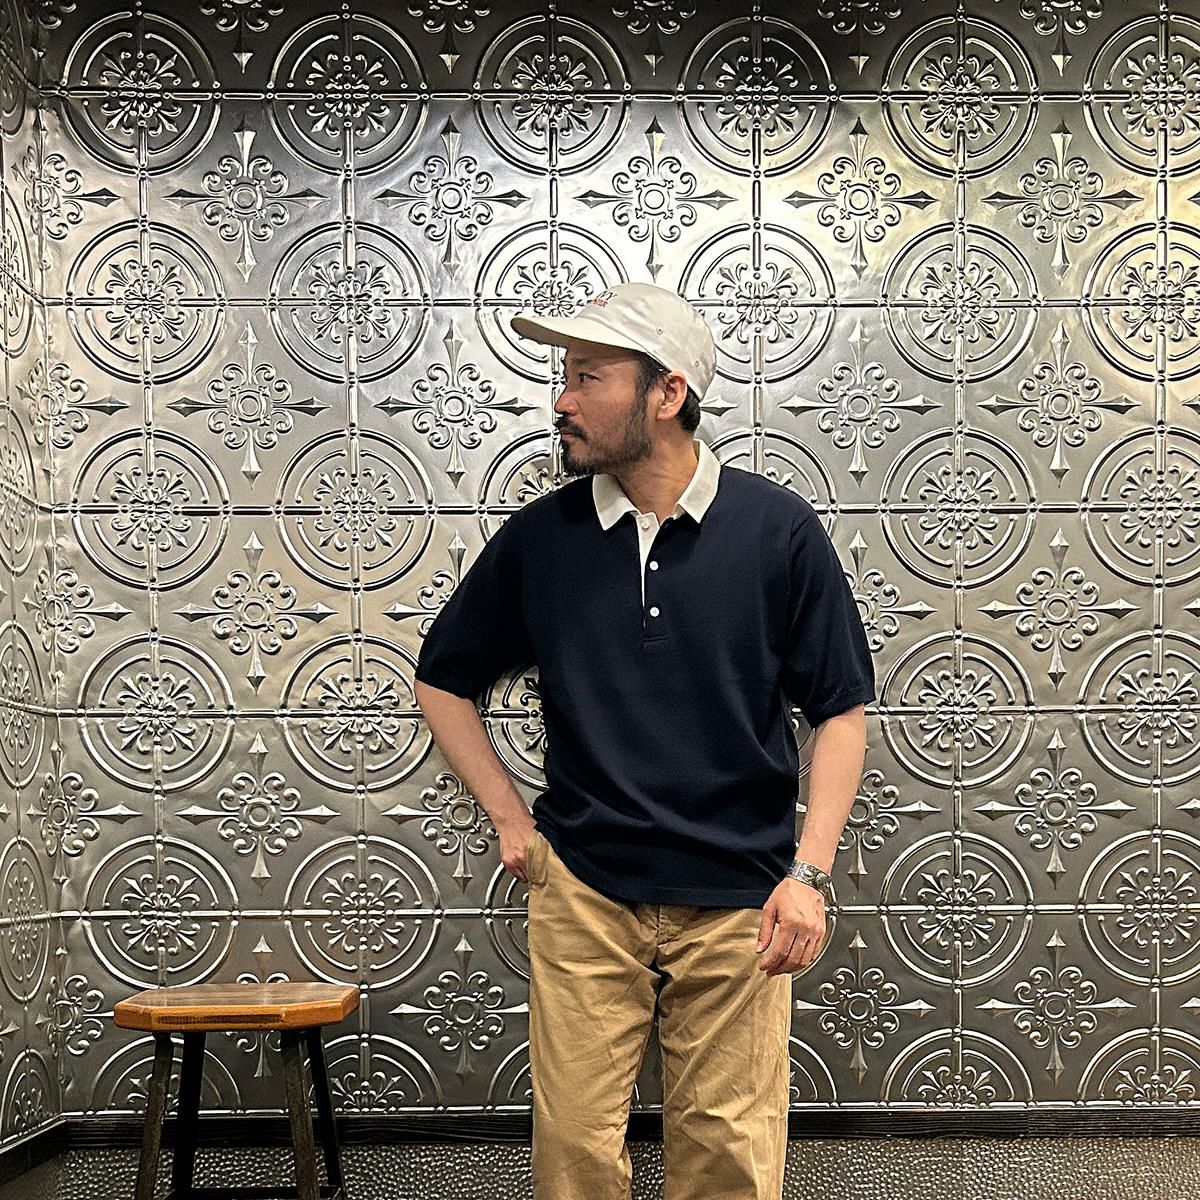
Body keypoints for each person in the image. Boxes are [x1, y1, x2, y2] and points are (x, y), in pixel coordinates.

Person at [413, 281, 875, 1200]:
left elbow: (841, 712)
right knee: (574, 1155)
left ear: (668, 393)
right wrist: (509, 820)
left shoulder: (776, 529)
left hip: (743, 900)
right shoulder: (543, 538)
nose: (562, 400)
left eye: (588, 377)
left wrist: (810, 875)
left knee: (730, 1162)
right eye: (564, 376)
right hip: (586, 891)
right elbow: (443, 678)